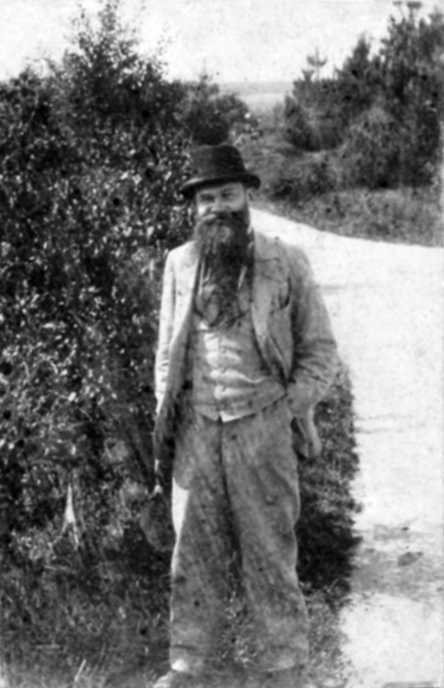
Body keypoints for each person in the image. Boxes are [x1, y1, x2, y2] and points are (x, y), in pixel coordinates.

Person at [152, 143, 338, 688]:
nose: (217, 208)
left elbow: (321, 352)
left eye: (227, 195)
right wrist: (169, 416)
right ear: (194, 207)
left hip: (263, 428)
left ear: (247, 197)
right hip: (196, 431)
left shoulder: (285, 262)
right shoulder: (179, 264)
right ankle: (189, 664)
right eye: (206, 199)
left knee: (269, 550)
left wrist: (287, 411)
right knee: (192, 554)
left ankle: (285, 665)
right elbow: (165, 354)